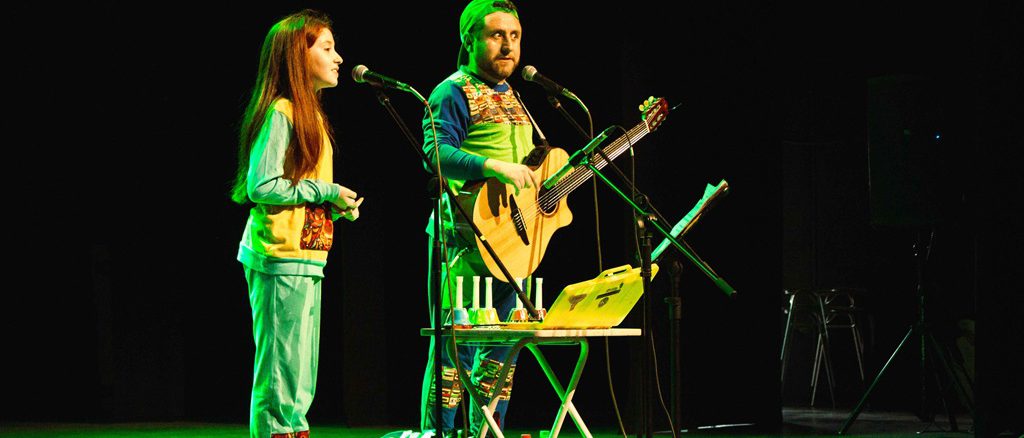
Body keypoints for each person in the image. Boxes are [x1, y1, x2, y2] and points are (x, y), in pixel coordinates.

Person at [230, 9, 363, 438]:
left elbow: (301, 185)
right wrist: (325, 191)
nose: (338, 58)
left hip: (308, 254)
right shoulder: (282, 112)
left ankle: (294, 430)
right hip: (279, 253)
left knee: (301, 367)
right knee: (281, 366)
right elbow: (262, 184)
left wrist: (335, 204)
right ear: (297, 56)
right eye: (327, 48)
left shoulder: (311, 115)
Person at [419, 1, 538, 436]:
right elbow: (437, 154)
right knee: (456, 351)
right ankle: (441, 433)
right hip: (463, 242)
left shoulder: (517, 96)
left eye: (514, 36)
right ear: (469, 40)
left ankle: (487, 431)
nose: (507, 45)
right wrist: (493, 166)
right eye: (496, 35)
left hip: (513, 244)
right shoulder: (452, 91)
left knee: (502, 352)